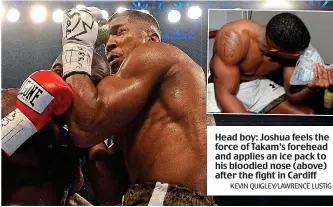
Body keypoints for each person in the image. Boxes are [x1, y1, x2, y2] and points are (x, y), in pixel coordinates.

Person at [59, 8, 216, 205]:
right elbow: (111, 195)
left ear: (152, 38)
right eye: (107, 36)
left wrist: (76, 45)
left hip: (167, 197)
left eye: (120, 31)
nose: (109, 43)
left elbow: (85, 127)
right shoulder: (146, 114)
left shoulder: (157, 52)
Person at [1, 52, 109, 206]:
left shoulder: (75, 140)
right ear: (58, 73)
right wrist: (22, 119)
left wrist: (95, 132)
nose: (93, 96)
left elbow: (109, 196)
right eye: (92, 83)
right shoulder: (7, 103)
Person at [208, 12, 333, 114]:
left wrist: (309, 87)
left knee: (308, 116)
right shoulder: (234, 38)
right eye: (298, 54)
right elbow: (226, 96)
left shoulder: (289, 52)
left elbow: (293, 95)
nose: (302, 56)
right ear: (274, 50)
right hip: (220, 88)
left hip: (256, 85)